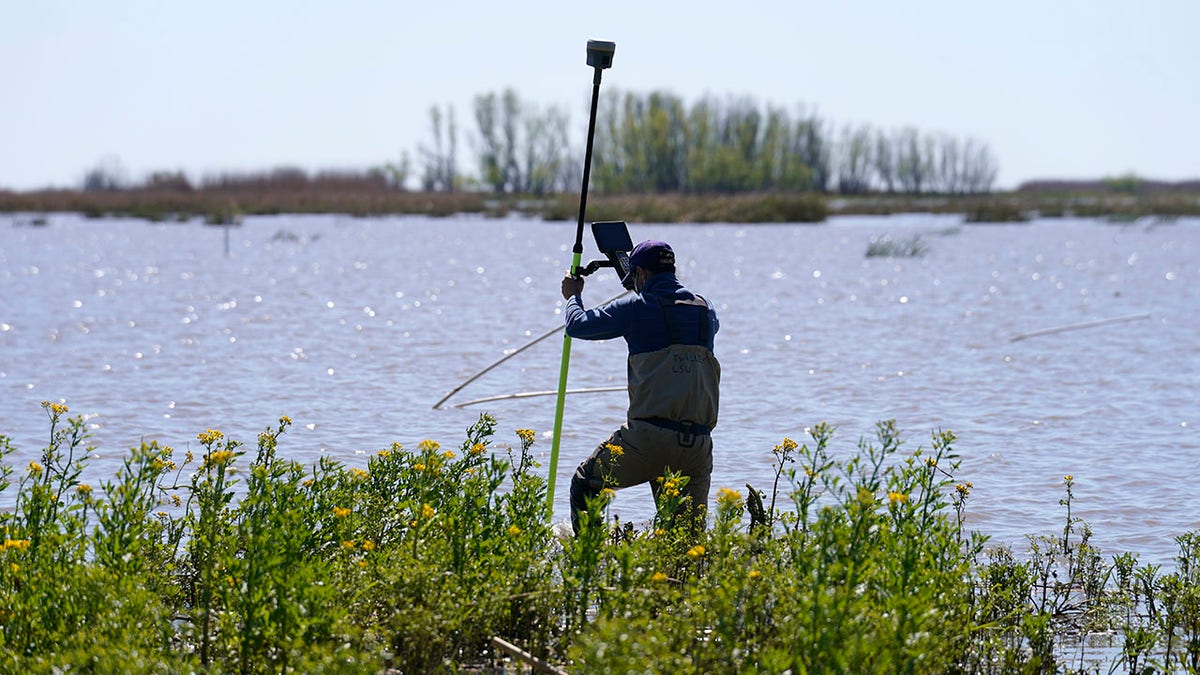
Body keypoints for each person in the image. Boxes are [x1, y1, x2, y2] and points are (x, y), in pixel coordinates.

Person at [560, 240, 721, 534]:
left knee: (585, 483)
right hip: (698, 446)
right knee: (687, 540)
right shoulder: (705, 310)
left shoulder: (636, 307)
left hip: (648, 440)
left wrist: (573, 296)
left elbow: (578, 325)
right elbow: (669, 312)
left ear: (642, 275)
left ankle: (589, 563)